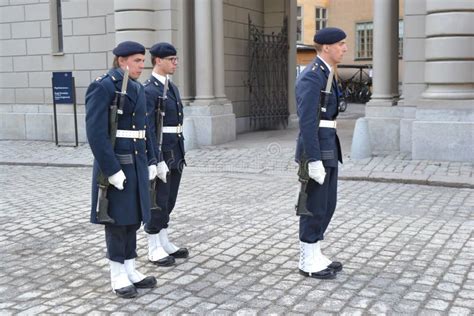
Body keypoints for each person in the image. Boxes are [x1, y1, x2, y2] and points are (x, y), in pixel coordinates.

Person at [85, 41, 158, 298]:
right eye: (137, 60)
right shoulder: (104, 86)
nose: (142, 65)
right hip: (118, 163)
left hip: (136, 162)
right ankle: (117, 275)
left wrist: (151, 160)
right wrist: (112, 169)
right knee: (117, 221)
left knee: (133, 218)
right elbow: (96, 134)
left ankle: (130, 268)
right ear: (121, 61)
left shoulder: (136, 88)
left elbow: (145, 129)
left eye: (142, 60)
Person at [295, 27, 348, 279]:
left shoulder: (328, 74)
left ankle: (315, 252)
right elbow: (306, 122)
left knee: (327, 205)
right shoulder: (312, 76)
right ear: (326, 47)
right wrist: (313, 159)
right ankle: (307, 261)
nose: (344, 48)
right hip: (316, 149)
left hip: (329, 146)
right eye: (341, 44)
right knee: (313, 205)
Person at [143, 42, 189, 266]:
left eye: (176, 59)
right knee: (158, 199)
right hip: (163, 151)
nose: (175, 63)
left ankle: (163, 240)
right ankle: (153, 247)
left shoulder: (171, 87)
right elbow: (150, 129)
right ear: (158, 61)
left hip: (176, 150)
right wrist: (156, 159)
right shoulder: (149, 89)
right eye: (171, 60)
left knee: (169, 199)